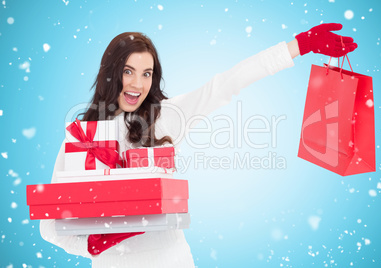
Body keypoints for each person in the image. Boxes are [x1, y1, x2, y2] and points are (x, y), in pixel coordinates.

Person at [40, 23, 357, 267]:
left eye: (147, 73)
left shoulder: (166, 117)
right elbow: (50, 225)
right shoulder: (81, 135)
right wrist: (92, 243)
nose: (138, 83)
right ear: (111, 74)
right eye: (128, 71)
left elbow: (227, 83)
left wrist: (297, 47)